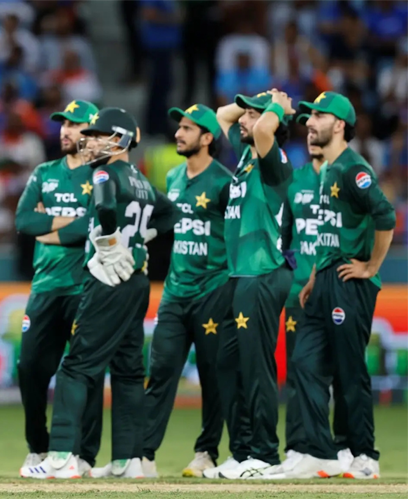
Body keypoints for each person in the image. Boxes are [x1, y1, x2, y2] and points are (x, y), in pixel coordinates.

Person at [22, 107, 179, 480]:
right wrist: (141, 238)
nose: (89, 142)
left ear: (121, 140)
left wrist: (109, 241)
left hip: (107, 278)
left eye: (98, 136)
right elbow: (170, 214)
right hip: (137, 279)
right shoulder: (142, 181)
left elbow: (106, 204)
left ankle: (61, 457)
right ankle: (128, 460)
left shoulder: (104, 173)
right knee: (128, 370)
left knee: (76, 366)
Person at [285, 92, 395, 479]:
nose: (310, 122)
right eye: (309, 115)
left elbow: (385, 214)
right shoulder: (328, 170)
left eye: (319, 115)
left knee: (350, 369)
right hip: (325, 278)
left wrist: (371, 266)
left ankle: (364, 455)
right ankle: (322, 452)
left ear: (340, 125)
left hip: (350, 281)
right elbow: (330, 231)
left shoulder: (353, 169)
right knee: (303, 363)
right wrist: (316, 274)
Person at [141, 104, 241, 478]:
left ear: (208, 137)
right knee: (160, 370)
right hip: (175, 291)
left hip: (213, 290)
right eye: (179, 127)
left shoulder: (226, 183)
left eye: (187, 128)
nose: (178, 134)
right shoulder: (173, 176)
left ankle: (206, 452)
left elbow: (237, 238)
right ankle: (143, 455)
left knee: (213, 376)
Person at [13, 100, 103, 478]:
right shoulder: (44, 172)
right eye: (64, 124)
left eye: (75, 124)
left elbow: (95, 225)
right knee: (29, 367)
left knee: (86, 371)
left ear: (92, 132)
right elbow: (23, 221)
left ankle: (84, 454)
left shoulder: (101, 175)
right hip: (45, 286)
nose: (66, 130)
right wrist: (72, 223)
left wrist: (49, 226)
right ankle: (38, 446)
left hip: (86, 285)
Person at [210, 90, 294, 479]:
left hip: (263, 272)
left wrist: (278, 106)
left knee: (256, 366)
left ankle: (265, 454)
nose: (242, 120)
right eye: (245, 114)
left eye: (251, 115)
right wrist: (254, 107)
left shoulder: (273, 159)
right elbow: (221, 115)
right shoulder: (246, 157)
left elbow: (261, 129)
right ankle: (242, 451)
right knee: (229, 364)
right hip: (240, 274)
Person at [266, 113, 352, 478]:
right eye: (308, 129)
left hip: (341, 287)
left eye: (317, 126)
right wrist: (293, 274)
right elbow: (285, 237)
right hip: (300, 293)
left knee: (344, 371)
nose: (311, 134)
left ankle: (346, 446)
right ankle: (299, 448)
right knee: (300, 372)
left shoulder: (346, 175)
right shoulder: (295, 180)